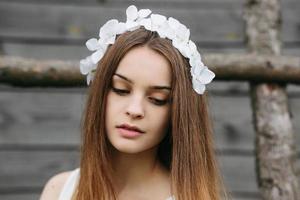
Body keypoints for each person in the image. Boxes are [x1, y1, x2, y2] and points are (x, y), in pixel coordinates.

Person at [40, 5, 227, 200]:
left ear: (178, 112)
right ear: (100, 92)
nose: (135, 110)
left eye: (157, 100)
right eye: (121, 90)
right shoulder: (60, 190)